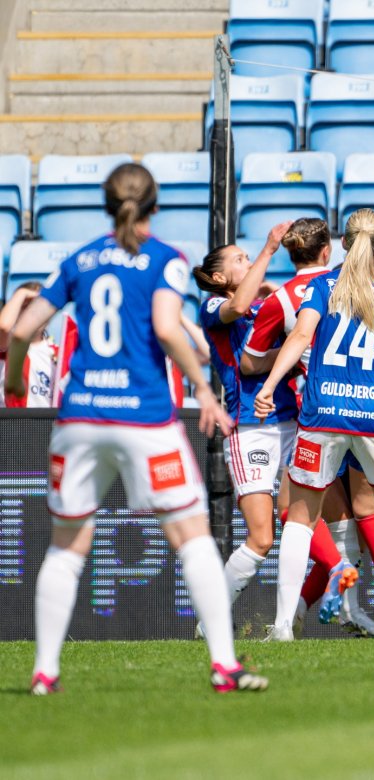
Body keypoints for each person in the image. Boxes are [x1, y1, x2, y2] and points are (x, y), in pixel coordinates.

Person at [6, 162, 265, 693]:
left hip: (79, 417)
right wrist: (202, 388)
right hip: (144, 417)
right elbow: (168, 329)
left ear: (107, 204)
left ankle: (44, 672)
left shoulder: (78, 260)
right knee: (192, 538)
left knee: (66, 546)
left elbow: (20, 329)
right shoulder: (166, 260)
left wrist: (12, 379)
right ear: (155, 205)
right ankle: (224, 665)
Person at [253, 208, 374, 641]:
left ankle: (284, 626)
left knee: (301, 518)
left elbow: (300, 338)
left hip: (324, 413)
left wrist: (268, 387)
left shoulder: (320, 287)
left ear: (342, 244)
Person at [196, 222, 361, 630]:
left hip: (291, 418)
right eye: (240, 259)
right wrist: (270, 248)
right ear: (219, 278)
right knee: (261, 537)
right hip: (251, 426)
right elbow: (239, 316)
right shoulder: (214, 307)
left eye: (250, 256)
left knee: (296, 510)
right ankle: (212, 617)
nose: (249, 261)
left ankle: (333, 581)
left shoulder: (267, 304)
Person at [0, 282, 66, 407]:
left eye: (38, 309)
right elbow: (3, 327)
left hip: (48, 423)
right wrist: (21, 294)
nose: (33, 315)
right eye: (26, 307)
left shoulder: (60, 353)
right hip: (12, 424)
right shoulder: (7, 346)